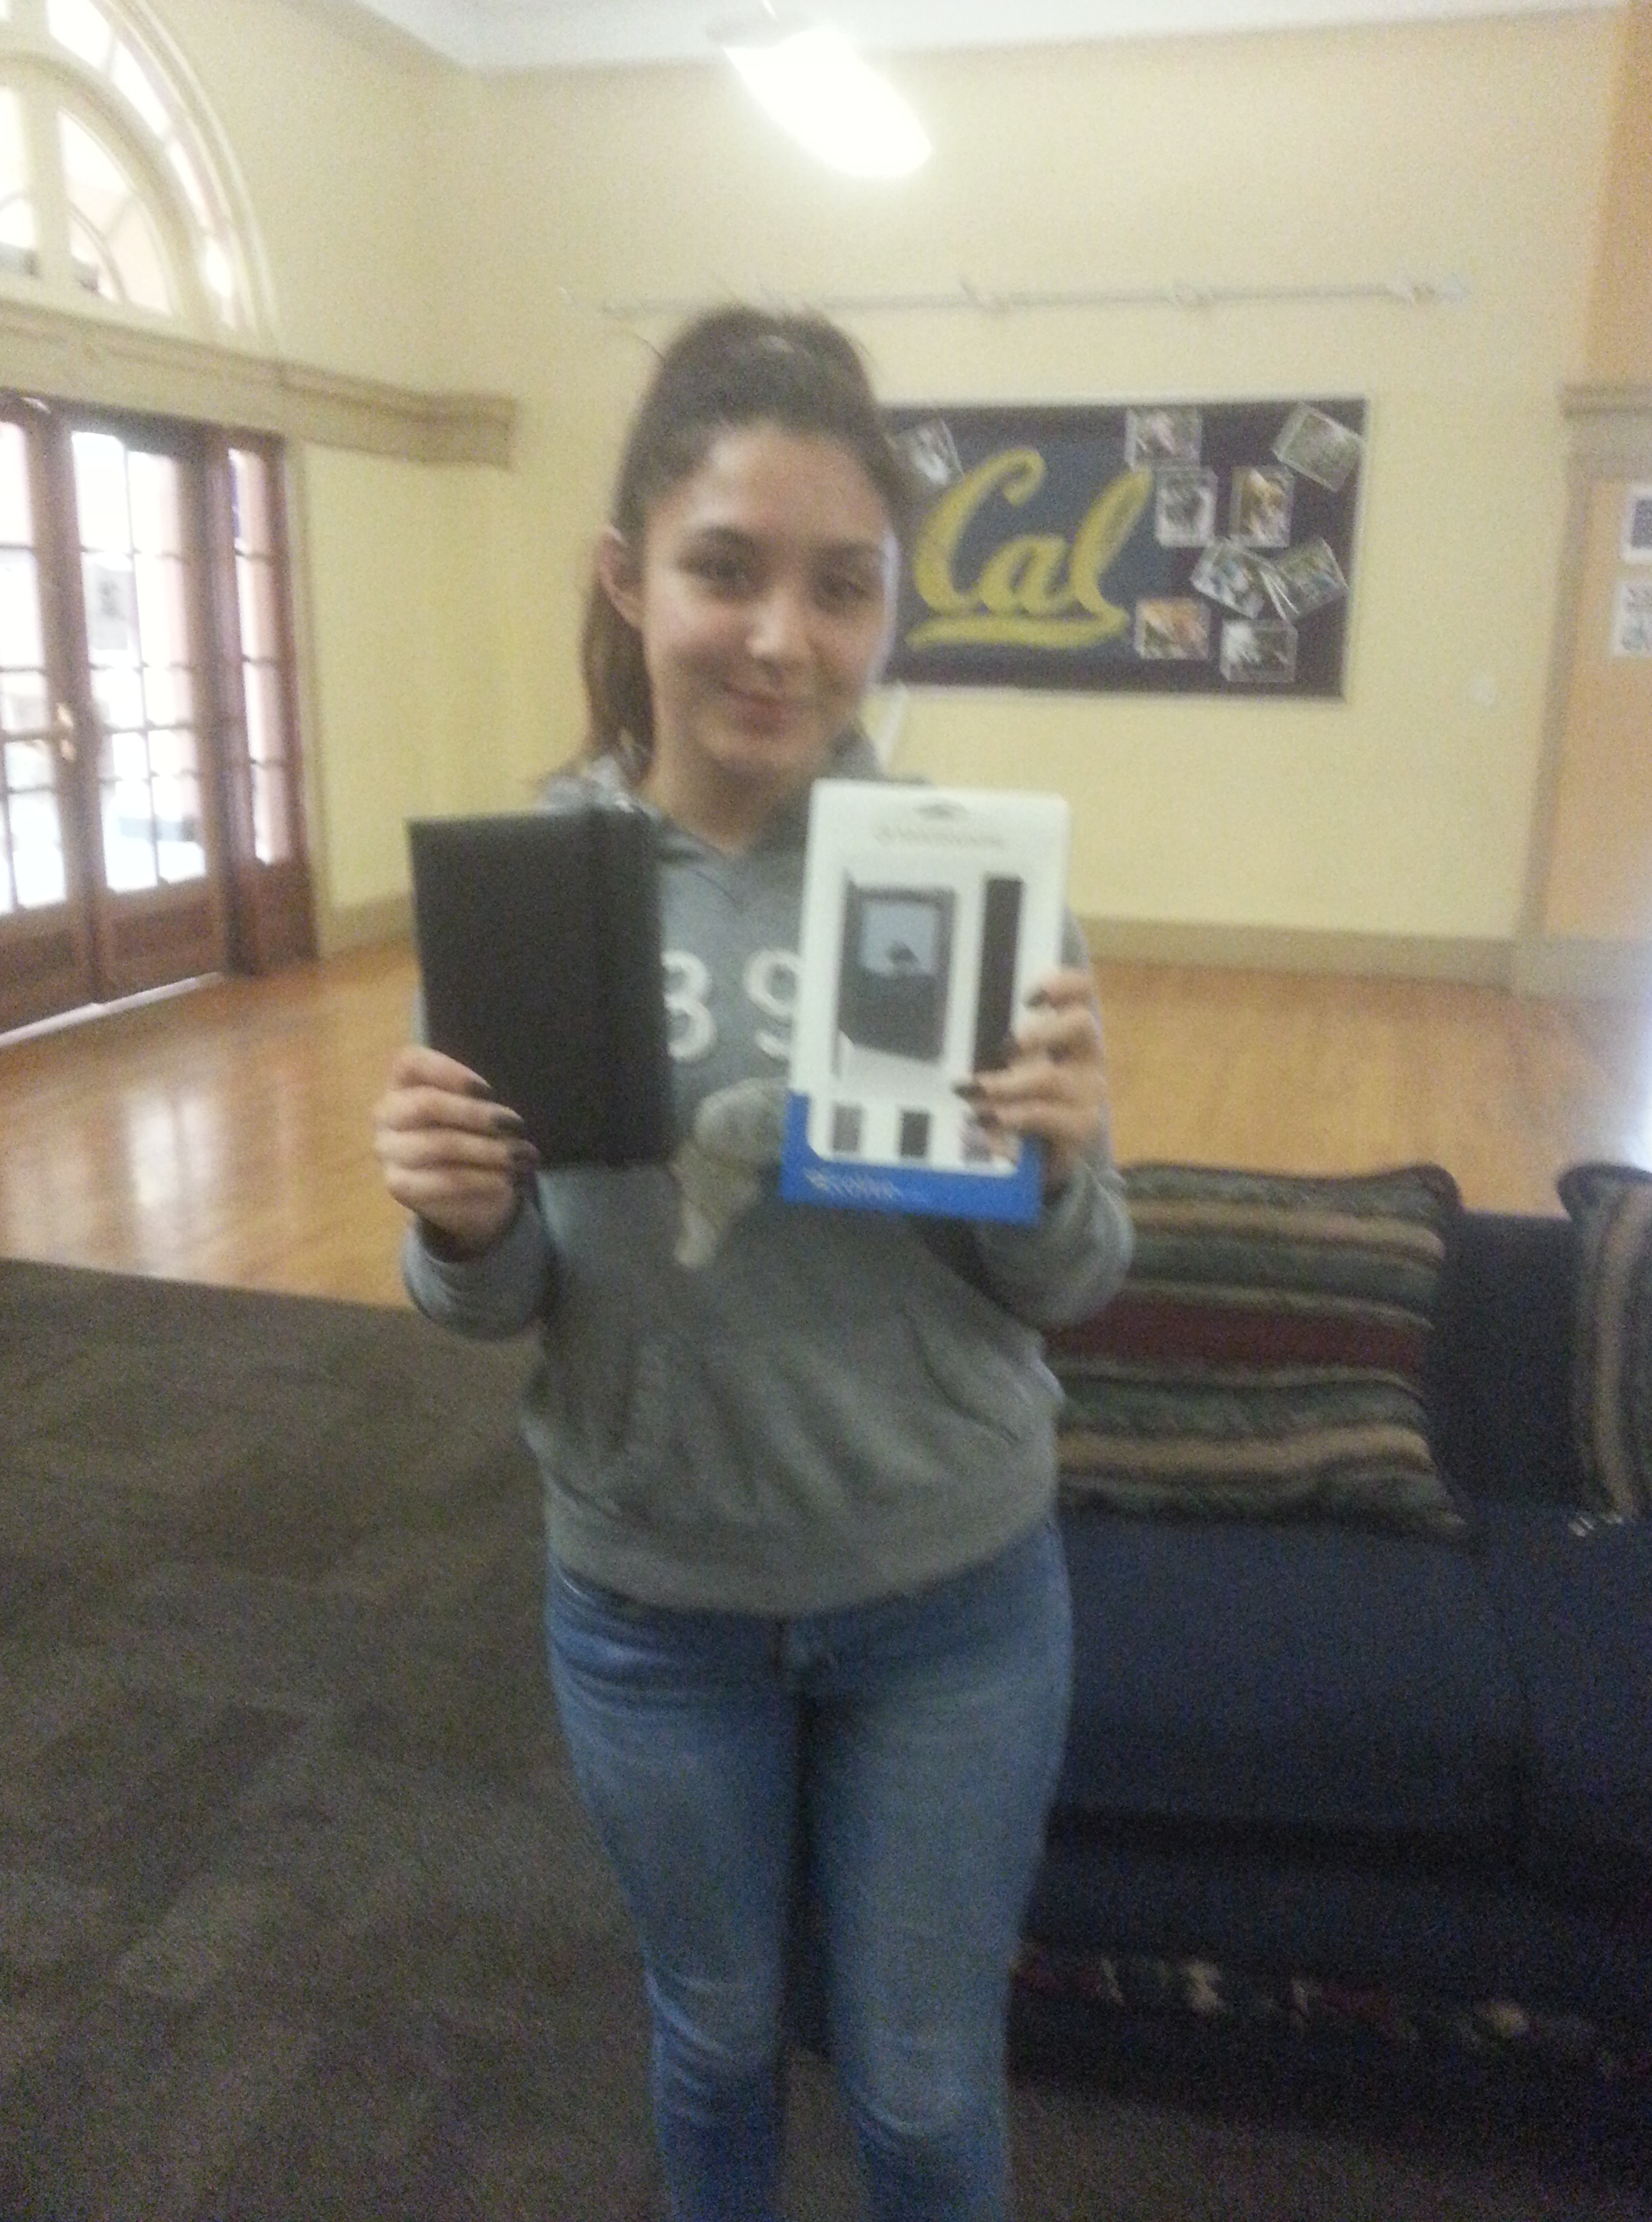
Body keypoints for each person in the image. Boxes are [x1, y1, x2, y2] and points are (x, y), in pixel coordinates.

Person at [373, 306, 1133, 2222]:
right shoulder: (533, 894)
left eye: (842, 585)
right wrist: (459, 1222)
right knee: (713, 2044)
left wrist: (1058, 1162)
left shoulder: (962, 878)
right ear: (628, 579)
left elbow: (1069, 1284)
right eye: (726, 569)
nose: (782, 637)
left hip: (950, 1595)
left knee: (922, 2090)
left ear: (889, 612)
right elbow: (502, 1300)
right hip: (654, 1605)